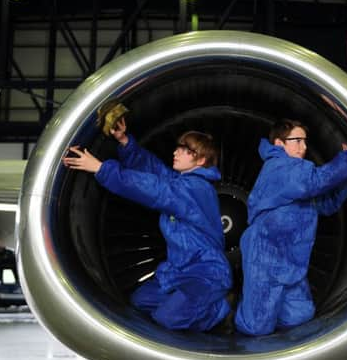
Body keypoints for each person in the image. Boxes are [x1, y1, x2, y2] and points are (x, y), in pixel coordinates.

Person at [62, 111, 232, 332]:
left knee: (168, 319)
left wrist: (101, 169)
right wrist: (125, 143)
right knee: (140, 301)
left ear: (201, 160)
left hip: (206, 273)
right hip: (179, 270)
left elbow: (154, 188)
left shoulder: (195, 189)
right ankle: (189, 306)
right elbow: (153, 171)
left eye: (185, 149)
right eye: (178, 147)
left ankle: (220, 309)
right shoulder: (182, 182)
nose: (176, 151)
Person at [234, 118, 347, 336]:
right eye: (297, 140)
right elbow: (318, 180)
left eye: (305, 141)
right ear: (279, 144)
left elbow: (327, 204)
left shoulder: (297, 180)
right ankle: (238, 339)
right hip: (266, 257)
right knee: (256, 326)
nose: (304, 147)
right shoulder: (280, 166)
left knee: (299, 316)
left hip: (292, 262)